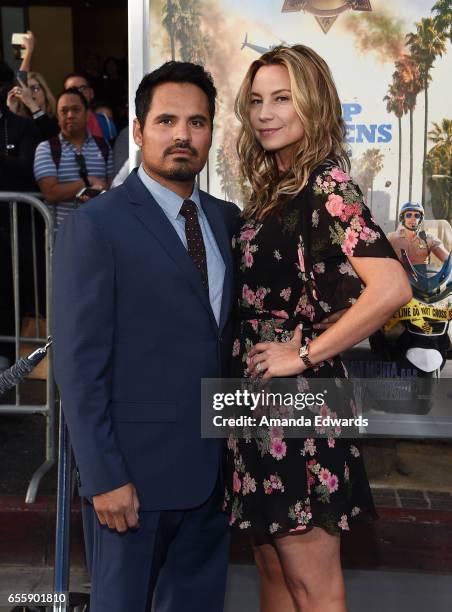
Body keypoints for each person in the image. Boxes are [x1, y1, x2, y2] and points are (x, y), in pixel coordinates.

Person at [223, 45, 412, 612]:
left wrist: (303, 354)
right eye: (256, 100)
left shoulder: (327, 187)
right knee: (273, 570)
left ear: (314, 104)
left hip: (296, 402)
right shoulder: (277, 186)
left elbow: (393, 287)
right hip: (254, 397)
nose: (265, 113)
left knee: (312, 585)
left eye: (282, 99)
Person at [52, 61, 240, 612]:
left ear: (211, 132)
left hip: (212, 479)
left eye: (198, 122)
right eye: (166, 121)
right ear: (138, 131)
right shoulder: (97, 225)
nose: (183, 135)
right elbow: (79, 365)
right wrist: (103, 475)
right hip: (130, 483)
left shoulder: (228, 222)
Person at [34, 87, 113, 229]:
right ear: (57, 116)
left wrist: (98, 191)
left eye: (76, 110)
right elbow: (50, 192)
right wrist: (87, 182)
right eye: (64, 111)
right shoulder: (46, 148)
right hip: (61, 234)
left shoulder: (104, 146)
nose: (70, 115)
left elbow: (112, 188)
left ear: (87, 114)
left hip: (100, 232)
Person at [387, 201, 449, 265]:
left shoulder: (429, 239)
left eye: (417, 215)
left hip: (422, 274)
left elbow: (447, 259)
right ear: (402, 218)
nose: (413, 218)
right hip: (398, 274)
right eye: (408, 215)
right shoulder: (392, 238)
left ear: (420, 219)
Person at [64, 72, 117, 142]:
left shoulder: (106, 123)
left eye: (83, 88)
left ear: (91, 93)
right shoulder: (56, 125)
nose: (78, 93)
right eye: (72, 90)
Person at [7, 71, 59, 141]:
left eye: (35, 89)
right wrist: (12, 111)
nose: (29, 94)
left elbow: (51, 136)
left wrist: (31, 104)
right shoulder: (22, 121)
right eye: (25, 91)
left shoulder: (58, 117)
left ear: (45, 91)